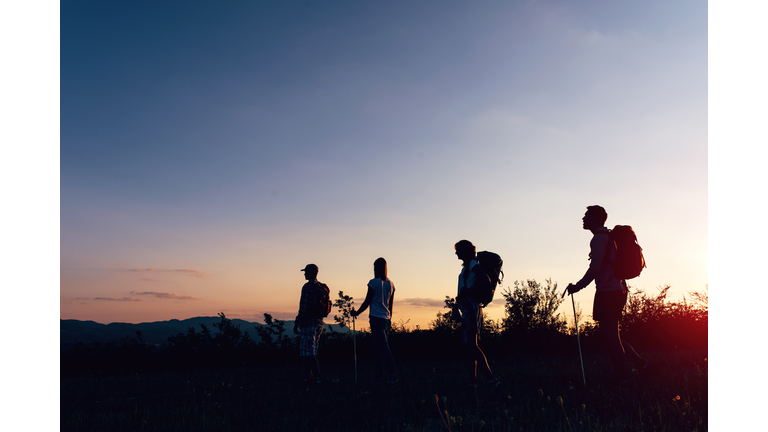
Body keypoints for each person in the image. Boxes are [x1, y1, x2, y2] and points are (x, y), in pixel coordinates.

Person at [565, 205, 651, 385]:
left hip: (609, 292)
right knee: (611, 336)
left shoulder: (599, 239)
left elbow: (595, 268)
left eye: (586, 216)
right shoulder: (608, 237)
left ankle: (621, 379)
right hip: (615, 290)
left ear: (595, 219)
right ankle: (642, 366)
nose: (583, 219)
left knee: (611, 338)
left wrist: (578, 286)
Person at [452, 240, 500, 387]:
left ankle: (491, 379)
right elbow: (463, 289)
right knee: (468, 346)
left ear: (466, 250)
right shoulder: (467, 267)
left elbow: (486, 279)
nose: (456, 253)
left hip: (472, 306)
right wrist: (457, 305)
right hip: (466, 306)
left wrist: (469, 292)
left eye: (458, 250)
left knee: (472, 344)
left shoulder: (473, 264)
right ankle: (472, 382)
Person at [351, 257, 398, 384]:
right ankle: (378, 378)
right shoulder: (391, 284)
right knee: (378, 350)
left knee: (383, 349)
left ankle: (393, 377)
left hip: (376, 319)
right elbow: (391, 306)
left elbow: (367, 301)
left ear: (377, 268)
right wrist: (389, 318)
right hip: (387, 319)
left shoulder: (373, 282)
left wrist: (357, 313)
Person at [293, 264, 329, 384]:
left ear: (310, 273)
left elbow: (303, 307)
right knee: (309, 352)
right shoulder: (321, 287)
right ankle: (307, 378)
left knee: (309, 353)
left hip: (309, 323)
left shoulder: (307, 287)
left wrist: (297, 322)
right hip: (319, 323)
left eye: (306, 272)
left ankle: (318, 378)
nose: (304, 274)